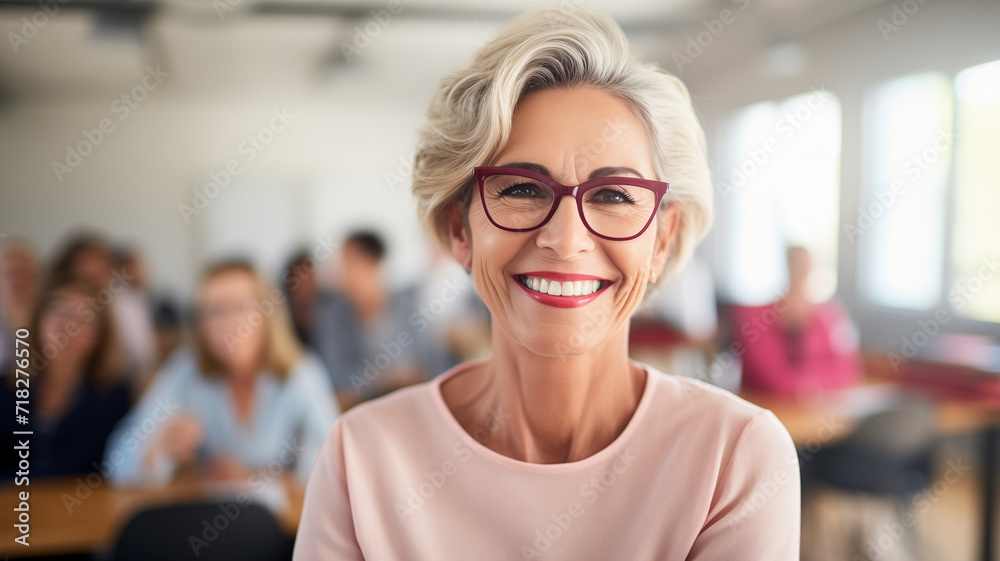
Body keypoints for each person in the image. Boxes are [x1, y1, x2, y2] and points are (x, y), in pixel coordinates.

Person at [293, 6, 799, 560]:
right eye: (521, 189)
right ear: (459, 229)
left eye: (613, 196)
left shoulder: (735, 456)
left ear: (660, 240)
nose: (565, 238)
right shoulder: (358, 458)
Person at [103, 261, 339, 487]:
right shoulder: (186, 371)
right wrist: (156, 451)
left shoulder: (301, 373)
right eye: (214, 311)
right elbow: (117, 462)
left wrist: (252, 478)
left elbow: (332, 465)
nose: (229, 323)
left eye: (241, 307)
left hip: (284, 525)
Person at [1, 277, 132, 478]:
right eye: (57, 311)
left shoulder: (113, 398)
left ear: (101, 335)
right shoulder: (7, 389)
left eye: (83, 319)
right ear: (38, 320)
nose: (66, 327)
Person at [312, 230, 452, 410]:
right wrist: (383, 379)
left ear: (373, 262)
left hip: (415, 406)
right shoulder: (333, 316)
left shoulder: (407, 306)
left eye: (348, 263)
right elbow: (334, 377)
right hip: (365, 412)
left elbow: (430, 364)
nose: (341, 273)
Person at [735, 246, 862, 397]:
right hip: (765, 408)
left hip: (809, 412)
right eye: (797, 266)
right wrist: (810, 384)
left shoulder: (826, 316)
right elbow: (772, 380)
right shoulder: (755, 319)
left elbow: (848, 370)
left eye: (806, 267)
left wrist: (809, 384)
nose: (801, 273)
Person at [51, 233, 157, 389]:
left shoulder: (127, 306)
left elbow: (145, 361)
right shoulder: (53, 305)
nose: (95, 271)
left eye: (101, 265)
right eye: (85, 264)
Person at [0, 239, 40, 377]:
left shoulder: (47, 319)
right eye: (12, 273)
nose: (19, 282)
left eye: (28, 275)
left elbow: (25, 376)